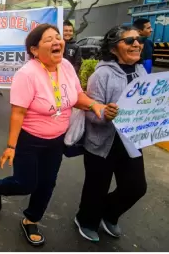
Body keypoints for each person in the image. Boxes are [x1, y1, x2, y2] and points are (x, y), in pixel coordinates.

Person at [0, 23, 109, 246]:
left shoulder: (67, 66)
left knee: (47, 183)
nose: (57, 42)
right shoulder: (27, 74)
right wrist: (11, 146)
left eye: (58, 38)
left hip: (57, 140)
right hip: (30, 140)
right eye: (49, 39)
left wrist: (94, 105)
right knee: (25, 183)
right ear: (34, 49)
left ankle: (31, 219)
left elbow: (77, 95)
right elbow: (18, 113)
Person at [74, 25, 147, 242]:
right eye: (129, 41)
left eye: (138, 39)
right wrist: (106, 113)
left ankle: (109, 213)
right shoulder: (102, 74)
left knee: (136, 187)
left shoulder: (141, 71)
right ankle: (86, 219)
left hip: (131, 142)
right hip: (102, 143)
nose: (136, 44)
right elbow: (90, 113)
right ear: (114, 48)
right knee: (96, 188)